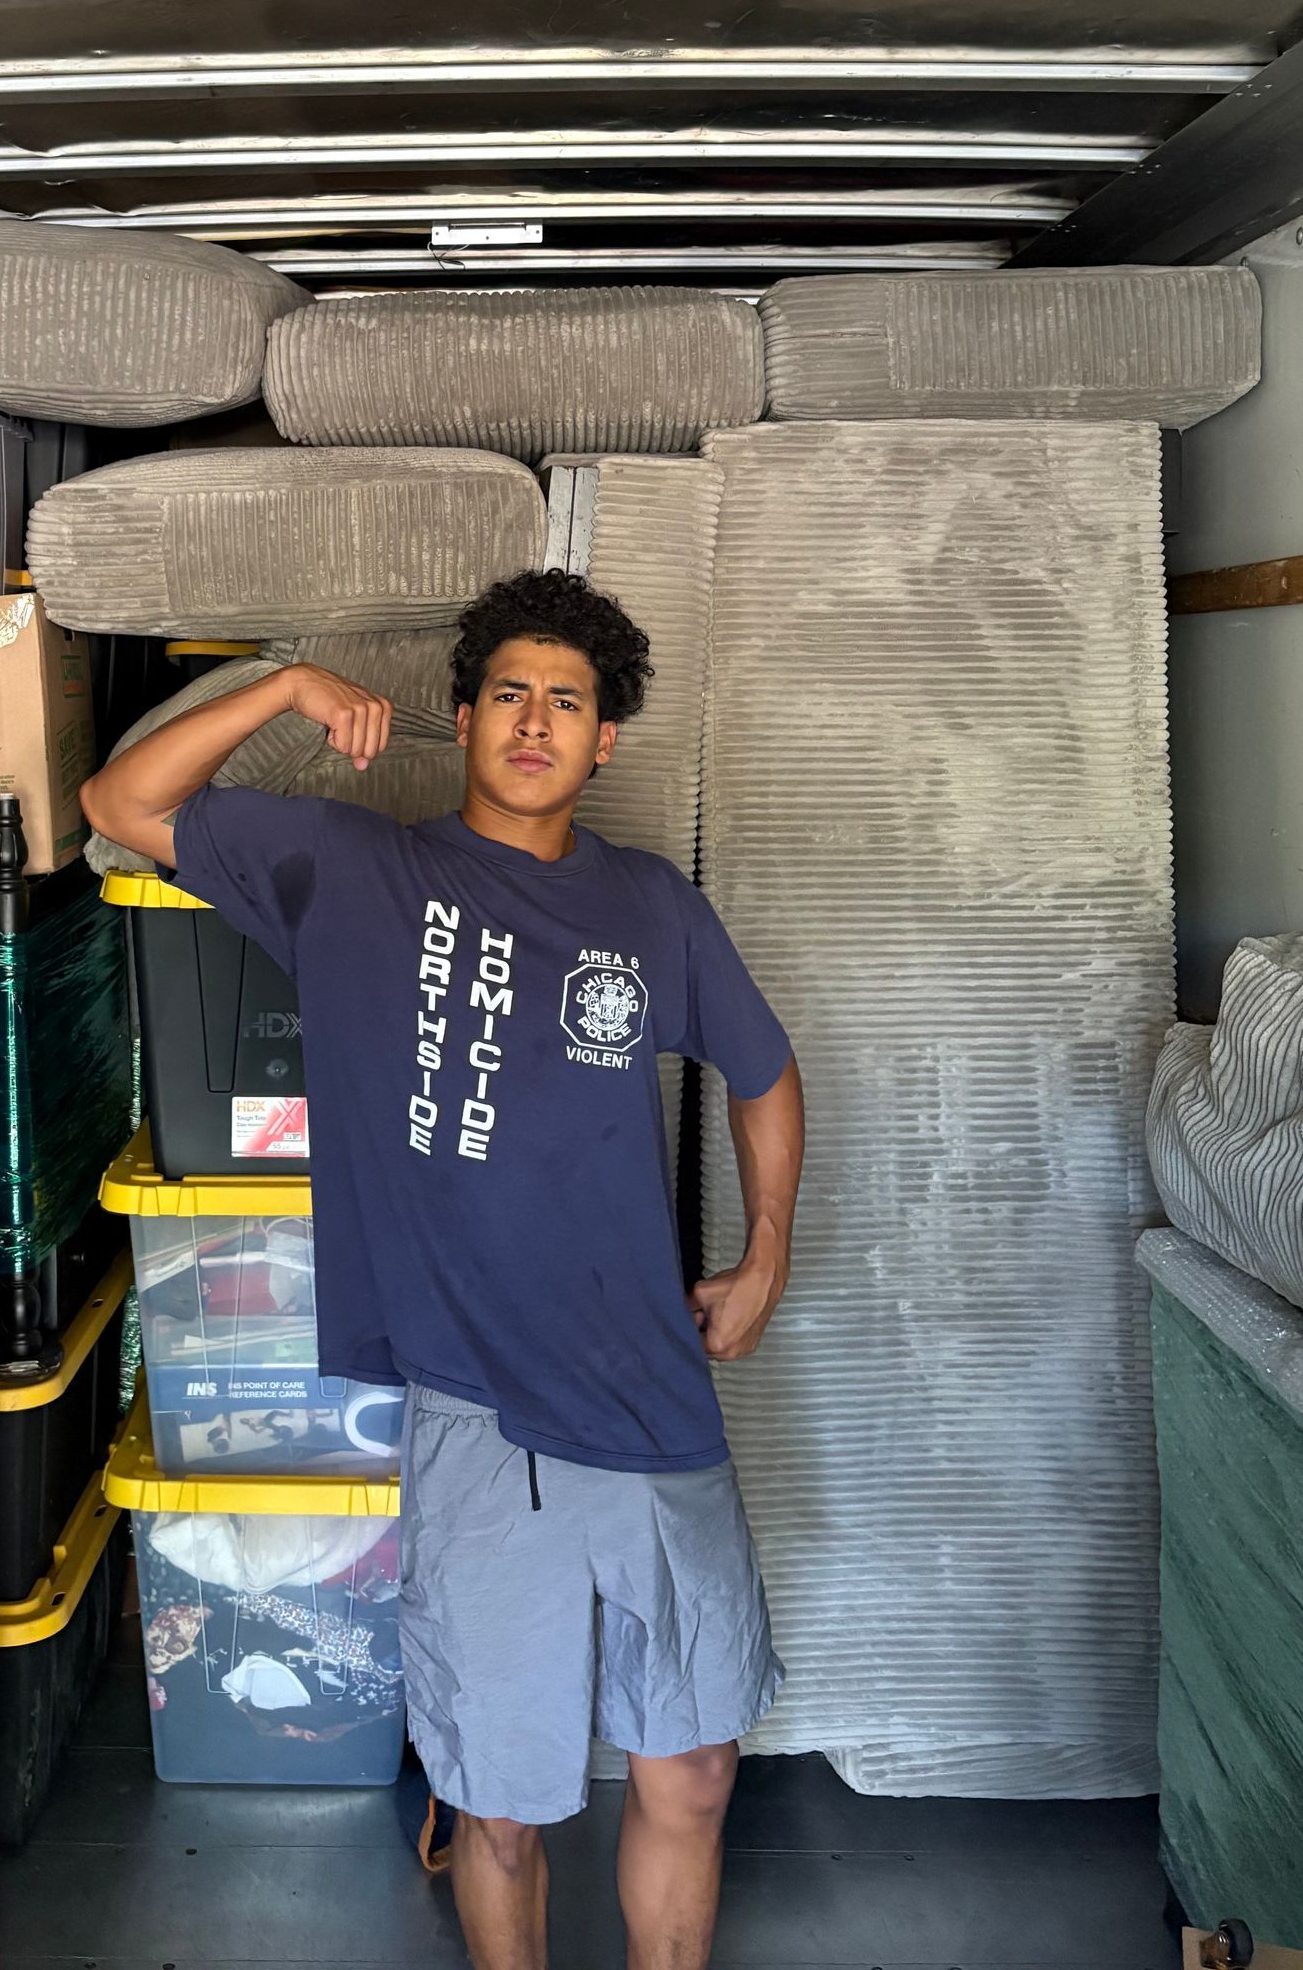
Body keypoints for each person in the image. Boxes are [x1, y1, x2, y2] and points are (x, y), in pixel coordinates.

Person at [81, 569, 804, 1970]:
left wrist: (767, 1252)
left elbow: (765, 1073)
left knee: (694, 1770)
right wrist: (289, 686)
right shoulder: (352, 873)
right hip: (479, 1424)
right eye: (512, 695)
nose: (537, 723)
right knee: (502, 1806)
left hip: (654, 1405)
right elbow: (121, 804)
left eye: (570, 703)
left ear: (606, 743)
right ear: (462, 718)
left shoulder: (651, 906)